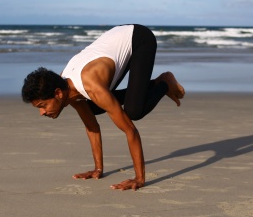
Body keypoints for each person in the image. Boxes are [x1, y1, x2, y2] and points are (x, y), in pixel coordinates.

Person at [21, 24, 185, 191]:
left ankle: (164, 82)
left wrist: (139, 178)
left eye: (42, 105)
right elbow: (92, 127)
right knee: (94, 107)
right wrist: (98, 169)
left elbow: (130, 131)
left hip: (138, 39)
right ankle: (155, 84)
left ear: (58, 94)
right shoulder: (66, 86)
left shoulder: (90, 85)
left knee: (134, 111)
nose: (42, 113)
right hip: (115, 41)